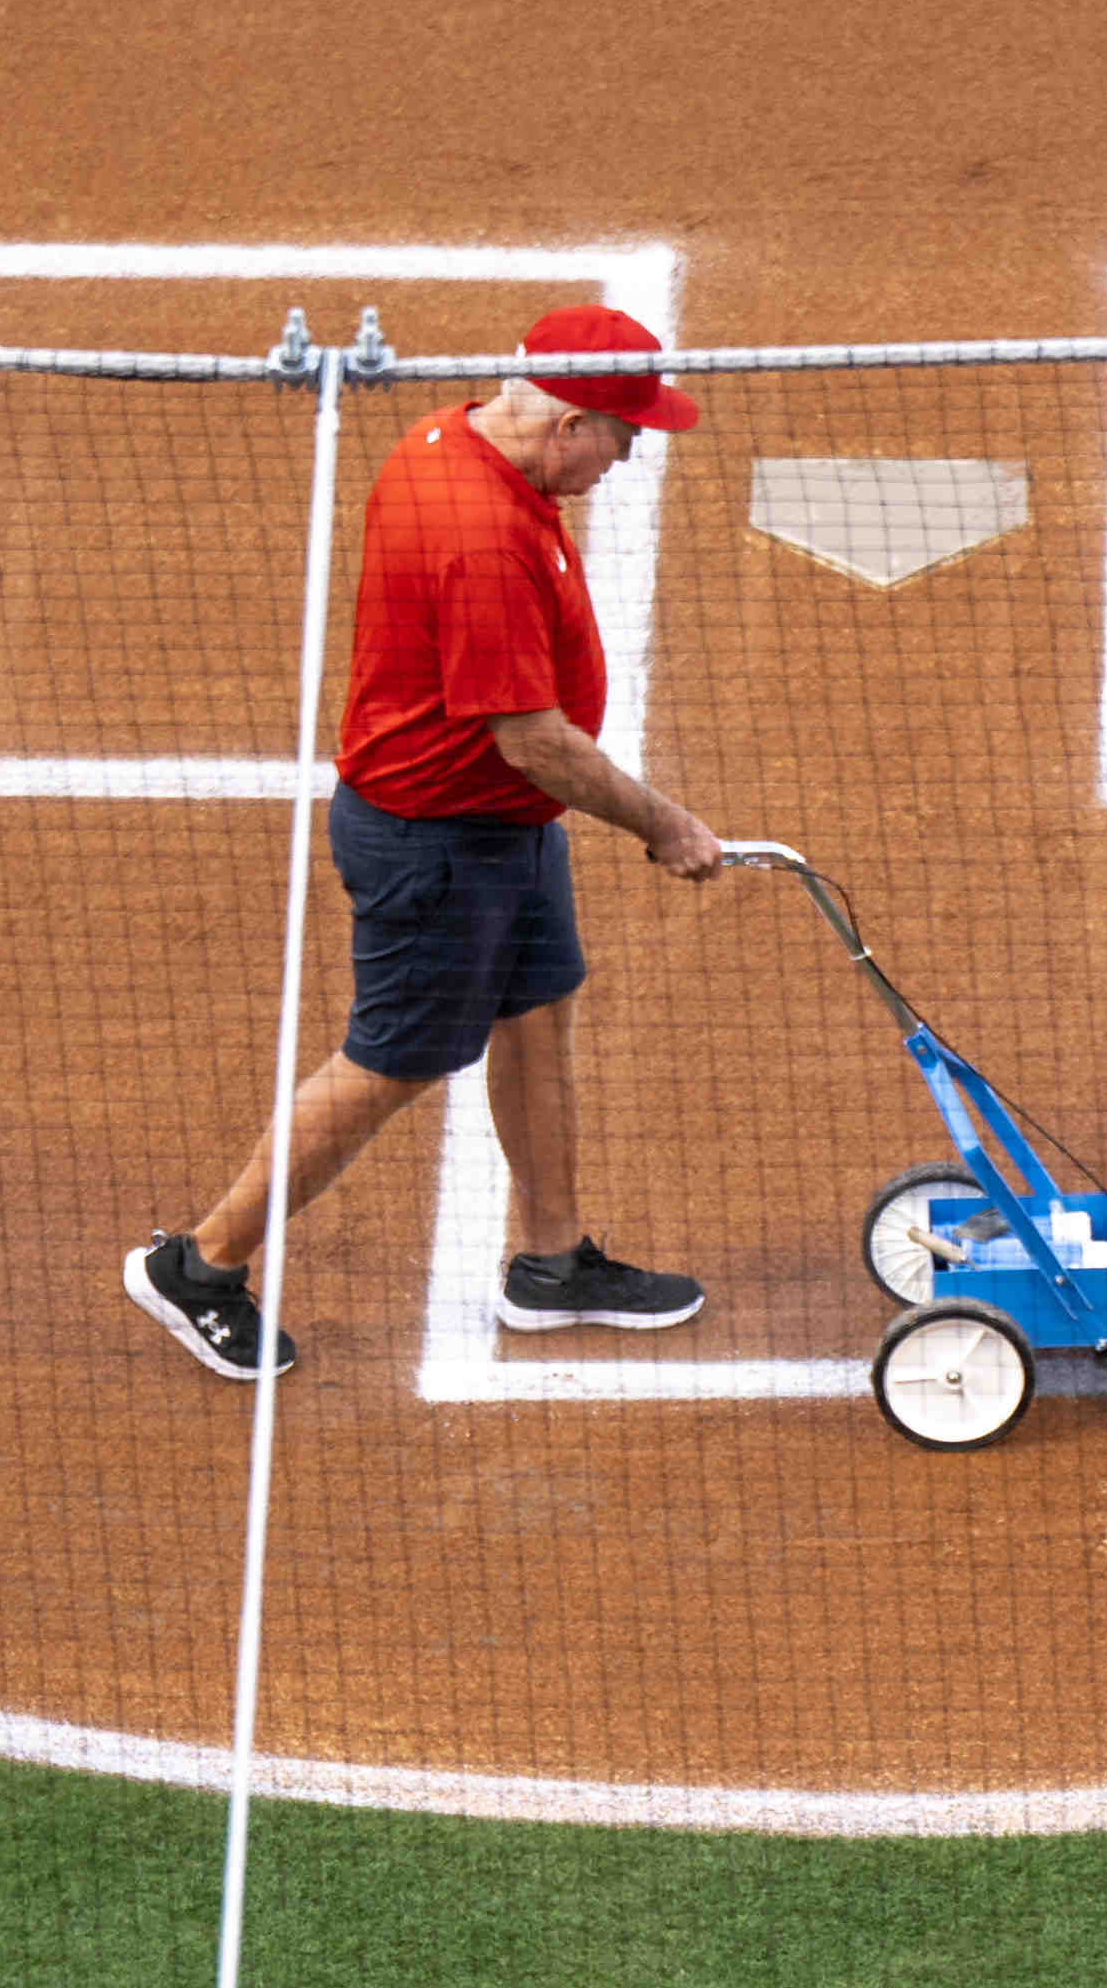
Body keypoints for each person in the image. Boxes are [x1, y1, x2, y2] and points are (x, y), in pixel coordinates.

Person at [127, 305, 739, 1381]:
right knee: (392, 1060)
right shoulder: (480, 534)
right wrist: (666, 825)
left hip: (499, 828)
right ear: (568, 424)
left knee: (537, 1014)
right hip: (439, 844)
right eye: (624, 437)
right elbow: (535, 741)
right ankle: (199, 1263)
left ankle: (552, 1266)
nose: (627, 458)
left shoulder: (450, 436)